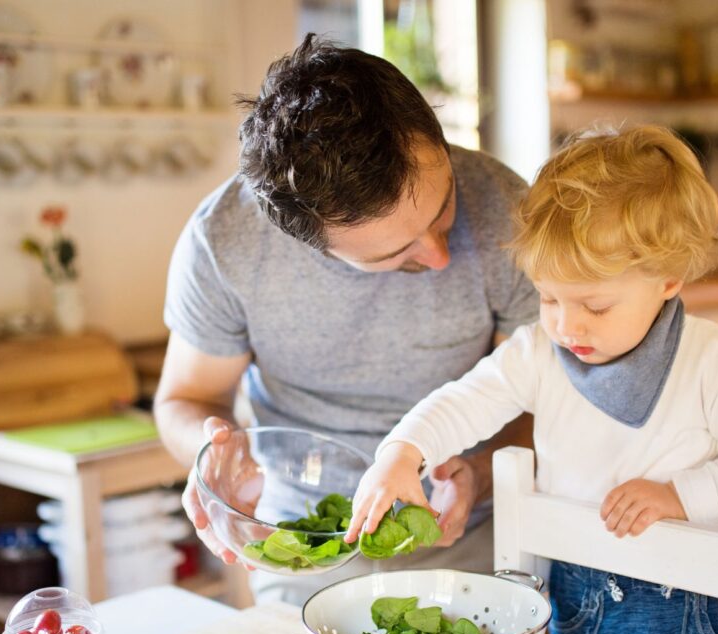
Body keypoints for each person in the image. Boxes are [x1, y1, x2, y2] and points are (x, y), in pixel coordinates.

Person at [346, 124, 718, 634]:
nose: (566, 323)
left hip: (698, 604)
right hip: (586, 597)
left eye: (593, 305)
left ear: (667, 278)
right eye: (549, 296)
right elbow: (465, 400)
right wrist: (404, 451)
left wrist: (679, 495)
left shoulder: (712, 358)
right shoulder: (539, 352)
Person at [153, 34, 538, 605]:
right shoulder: (225, 241)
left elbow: (546, 394)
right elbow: (185, 398)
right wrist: (214, 454)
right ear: (307, 242)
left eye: (443, 208)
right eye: (393, 255)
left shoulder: (507, 208)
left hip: (475, 537)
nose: (439, 257)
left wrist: (480, 473)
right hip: (303, 545)